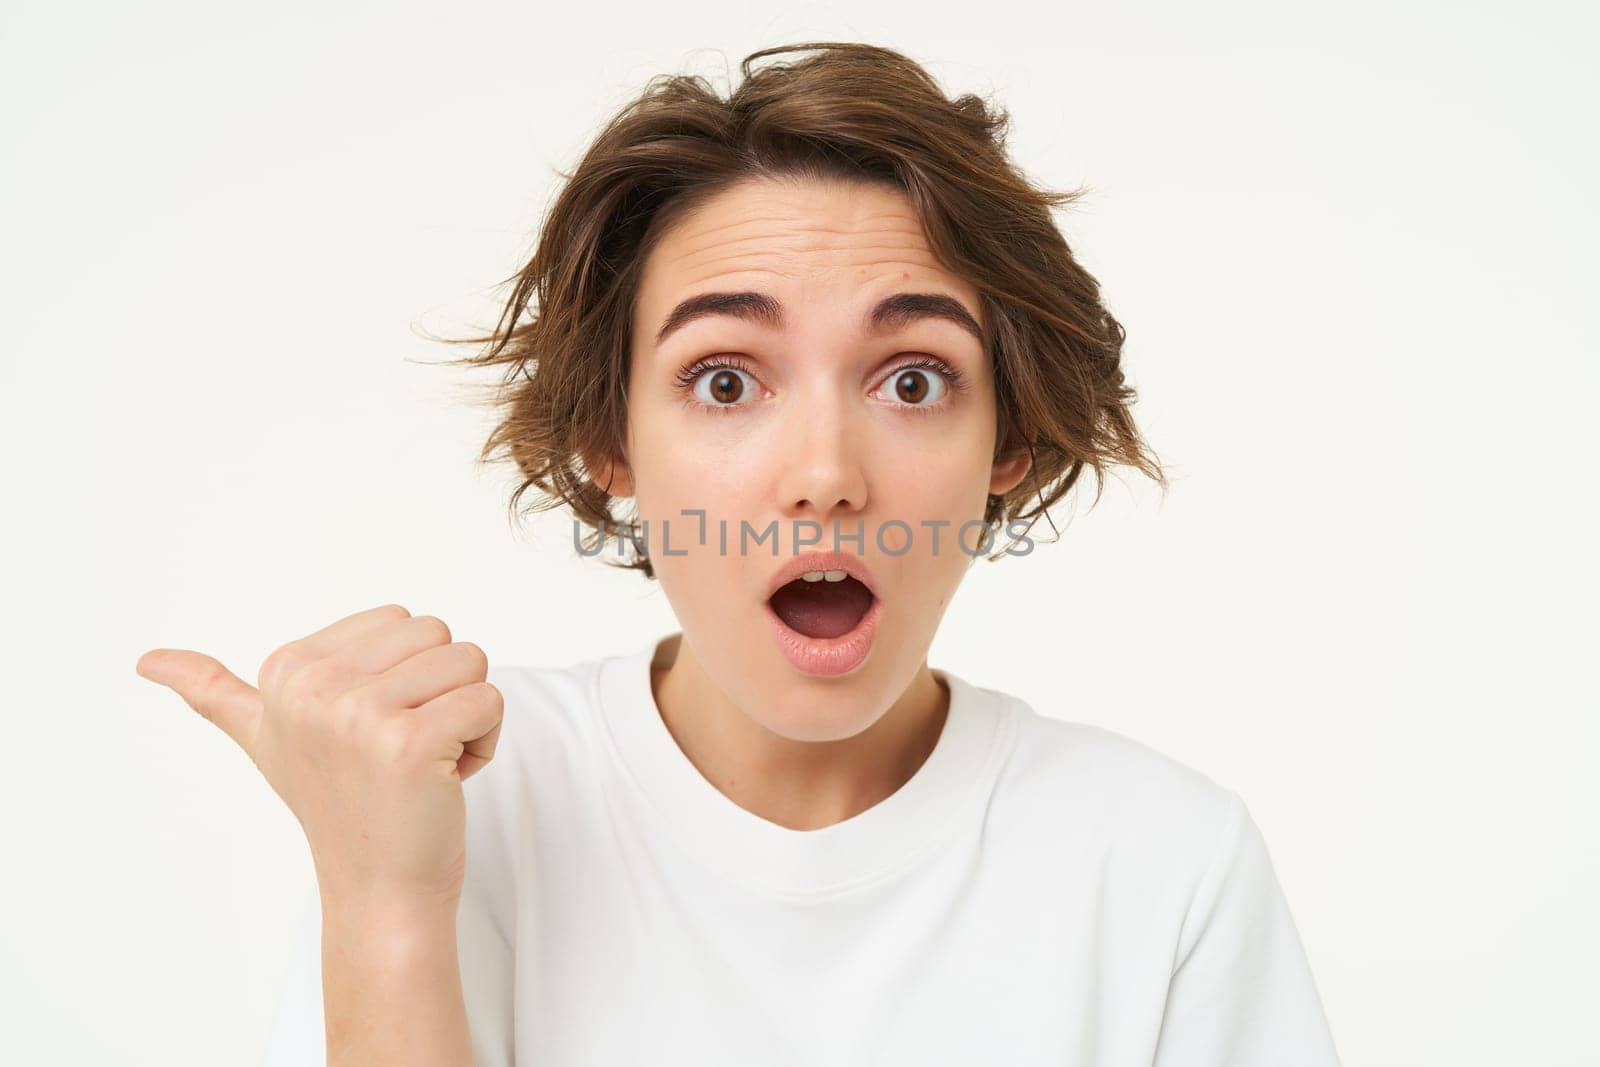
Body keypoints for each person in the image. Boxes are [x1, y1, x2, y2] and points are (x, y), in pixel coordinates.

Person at [136, 41, 1341, 1066]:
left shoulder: (1162, 860)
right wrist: (388, 905)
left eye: (913, 379)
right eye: (724, 380)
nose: (824, 471)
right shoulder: (456, 802)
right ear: (611, 441)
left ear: (1006, 441)